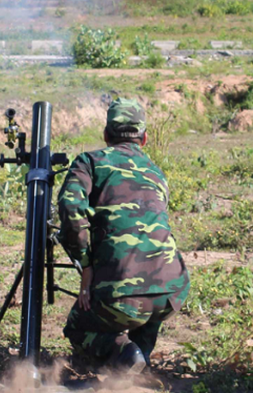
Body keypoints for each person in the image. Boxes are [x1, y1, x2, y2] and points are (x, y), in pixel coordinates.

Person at [58, 97, 189, 372]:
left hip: (122, 291)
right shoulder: (156, 172)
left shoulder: (89, 162)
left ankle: (125, 354)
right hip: (172, 289)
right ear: (145, 138)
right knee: (147, 306)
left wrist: (86, 266)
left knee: (77, 327)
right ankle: (141, 352)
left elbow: (70, 209)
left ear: (106, 135)